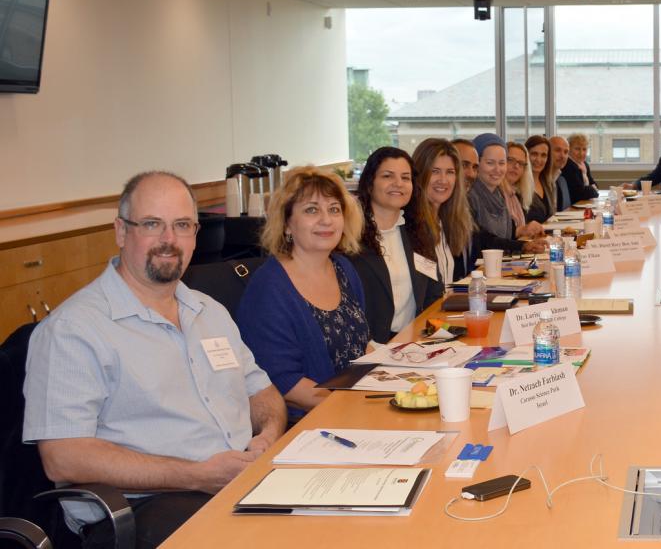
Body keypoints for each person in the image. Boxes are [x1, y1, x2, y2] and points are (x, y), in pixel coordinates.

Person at [24, 172, 285, 546]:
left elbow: (262, 392)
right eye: (152, 224)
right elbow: (65, 458)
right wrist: (198, 475)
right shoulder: (73, 330)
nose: (168, 240)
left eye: (181, 226)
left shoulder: (210, 312)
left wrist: (269, 437)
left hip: (237, 482)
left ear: (196, 234)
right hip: (147, 507)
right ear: (120, 231)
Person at [238, 166, 372, 420]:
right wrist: (350, 407)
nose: (326, 219)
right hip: (306, 425)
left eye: (334, 209)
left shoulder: (344, 268)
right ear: (287, 223)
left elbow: (362, 345)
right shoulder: (269, 289)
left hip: (355, 408)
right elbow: (284, 382)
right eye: (312, 210)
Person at [347, 147, 445, 343]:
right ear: (369, 183)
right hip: (367, 348)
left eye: (406, 177)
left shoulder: (418, 232)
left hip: (413, 343)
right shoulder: (349, 237)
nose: (398, 184)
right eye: (387, 176)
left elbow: (434, 292)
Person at [468, 133, 547, 254]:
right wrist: (522, 246)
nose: (497, 169)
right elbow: (483, 240)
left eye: (502, 163)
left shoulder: (499, 195)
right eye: (490, 163)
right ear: (476, 164)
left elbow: (508, 232)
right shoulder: (470, 197)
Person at [412, 138, 474, 286]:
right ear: (419, 175)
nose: (443, 180)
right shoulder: (412, 227)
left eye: (450, 172)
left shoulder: (443, 221)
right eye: (435, 171)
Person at [504, 141, 545, 239]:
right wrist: (522, 230)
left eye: (521, 163)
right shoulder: (496, 194)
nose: (516, 166)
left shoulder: (516, 194)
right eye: (510, 160)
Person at [524, 135, 555, 223]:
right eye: (534, 154)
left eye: (543, 155)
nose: (539, 159)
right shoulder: (519, 186)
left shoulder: (548, 183)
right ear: (525, 155)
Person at [560, 133, 599, 203]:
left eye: (584, 149)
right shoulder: (568, 165)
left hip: (583, 203)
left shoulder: (584, 164)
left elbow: (594, 184)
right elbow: (580, 193)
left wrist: (591, 189)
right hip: (573, 206)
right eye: (577, 149)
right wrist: (592, 189)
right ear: (569, 149)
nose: (581, 153)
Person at [550, 136, 573, 210]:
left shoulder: (560, 178)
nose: (562, 156)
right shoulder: (538, 178)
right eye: (557, 150)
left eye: (566, 152)